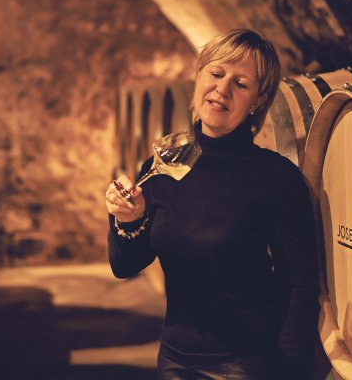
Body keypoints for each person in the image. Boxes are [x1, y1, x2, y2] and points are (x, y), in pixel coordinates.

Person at [105, 28, 320, 379]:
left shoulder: (274, 177)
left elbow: (300, 285)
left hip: (245, 362)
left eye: (241, 83)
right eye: (217, 74)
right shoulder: (165, 164)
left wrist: (290, 370)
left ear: (258, 100)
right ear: (199, 75)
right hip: (173, 357)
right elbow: (125, 266)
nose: (223, 90)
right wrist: (128, 220)